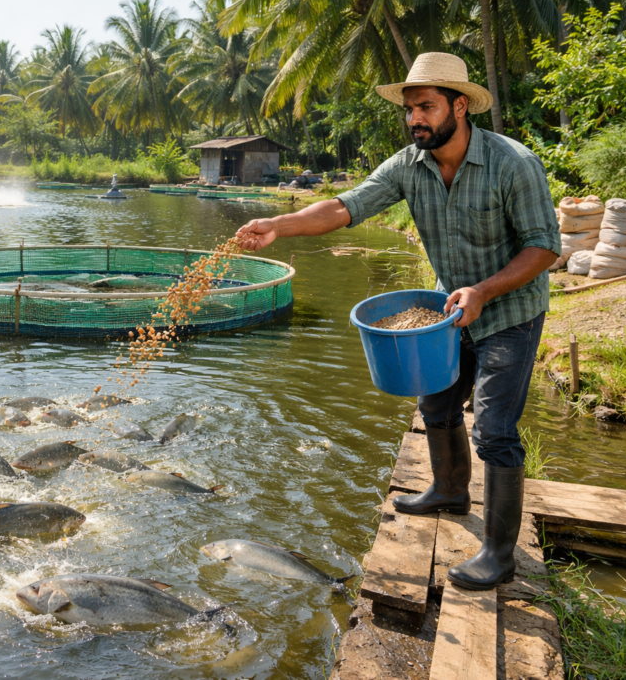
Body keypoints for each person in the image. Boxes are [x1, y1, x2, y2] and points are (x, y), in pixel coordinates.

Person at [235, 52, 561, 591]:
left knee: (496, 429)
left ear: (460, 106)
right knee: (434, 401)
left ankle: (500, 554)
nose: (415, 119)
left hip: (510, 309)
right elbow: (345, 207)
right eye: (410, 110)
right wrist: (280, 223)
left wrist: (482, 291)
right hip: (445, 310)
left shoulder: (512, 162)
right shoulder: (408, 165)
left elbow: (544, 247)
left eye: (426, 107)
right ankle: (450, 490)